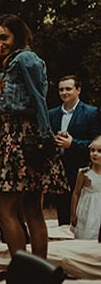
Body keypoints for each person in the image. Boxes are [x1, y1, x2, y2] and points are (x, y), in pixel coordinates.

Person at [0, 14, 68, 258]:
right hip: (22, 135)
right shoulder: (16, 61)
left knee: (3, 210)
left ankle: (24, 268)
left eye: (4, 37)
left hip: (23, 138)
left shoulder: (25, 59)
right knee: (31, 209)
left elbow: (4, 103)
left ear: (17, 36)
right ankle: (37, 269)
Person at [48, 75, 101, 226]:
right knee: (63, 216)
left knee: (84, 215)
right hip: (59, 170)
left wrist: (73, 143)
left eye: (68, 89)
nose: (64, 92)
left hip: (82, 169)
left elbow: (97, 143)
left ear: (78, 90)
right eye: (61, 90)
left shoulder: (91, 113)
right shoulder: (52, 114)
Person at [71, 135, 101, 241]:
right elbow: (76, 193)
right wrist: (73, 214)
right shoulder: (84, 173)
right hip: (88, 212)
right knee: (86, 236)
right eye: (92, 150)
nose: (95, 153)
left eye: (99, 151)